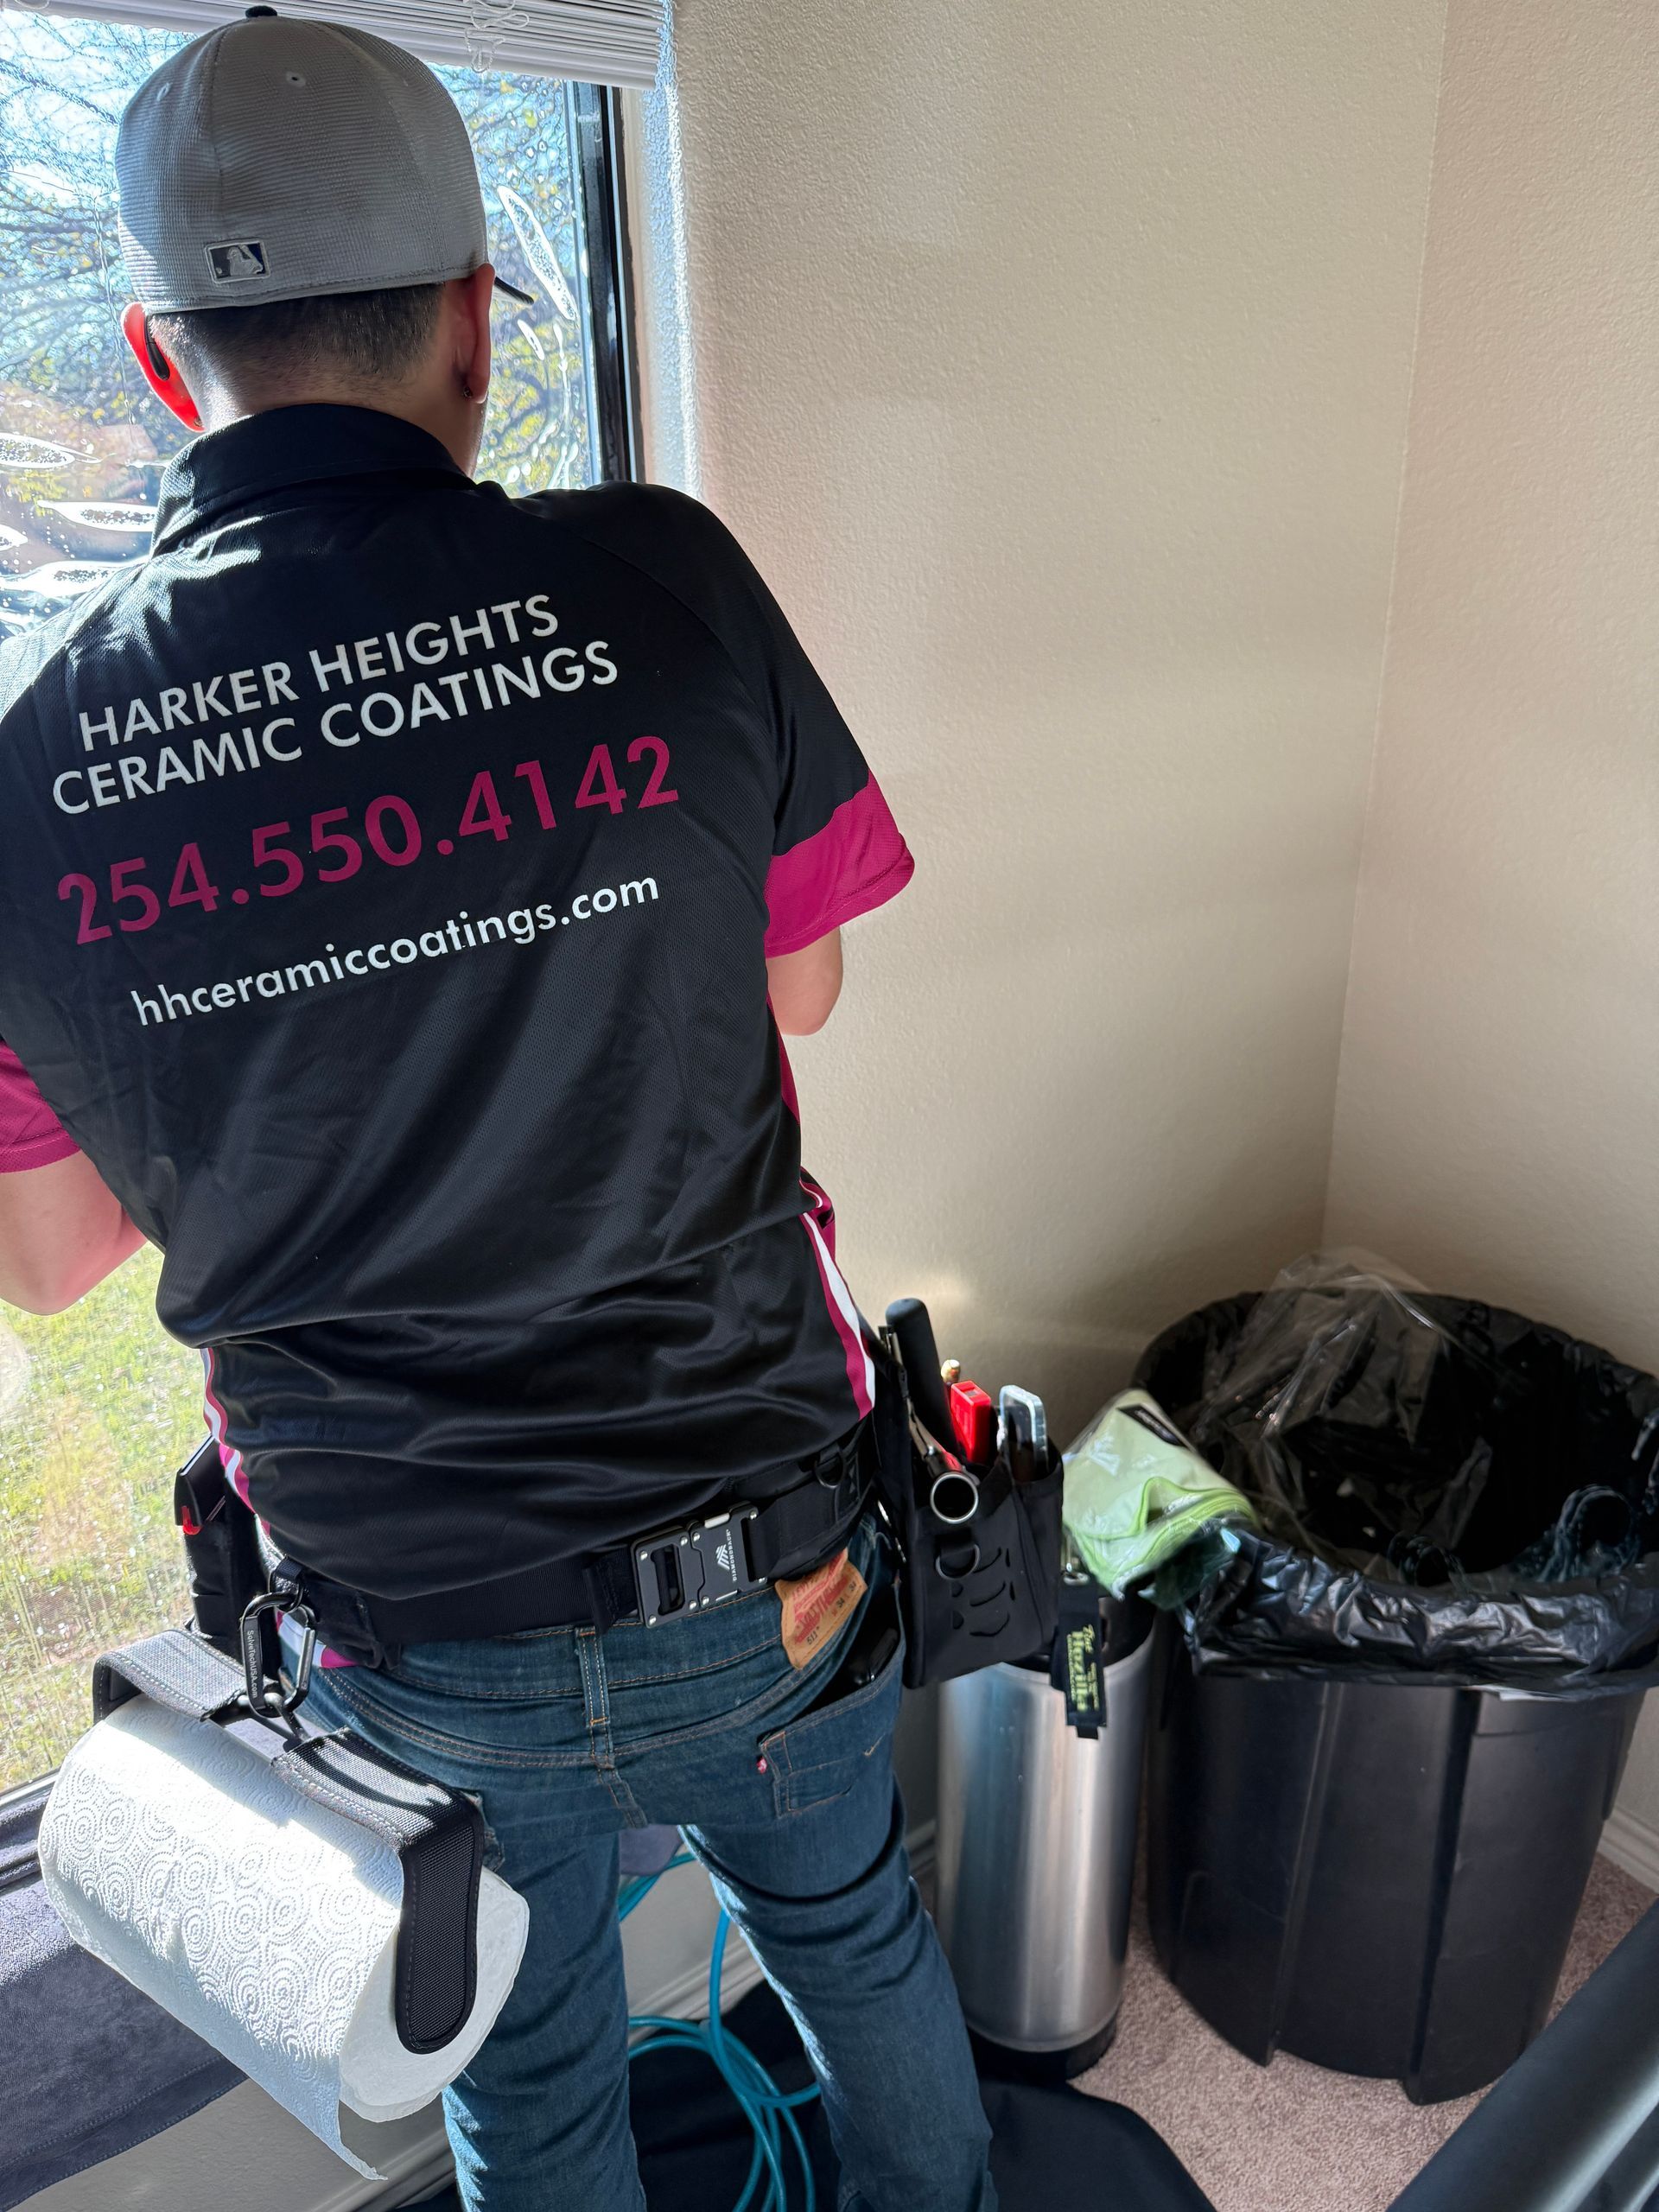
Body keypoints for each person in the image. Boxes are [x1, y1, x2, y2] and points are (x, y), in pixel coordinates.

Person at [0, 13, 995, 2211]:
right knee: (854, 1936)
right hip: (772, 1565)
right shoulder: (662, 576)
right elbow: (802, 974)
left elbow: (54, 1250)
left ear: (168, 369)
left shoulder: (37, 757)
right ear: (473, 319)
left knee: (528, 2062)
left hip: (399, 1623)